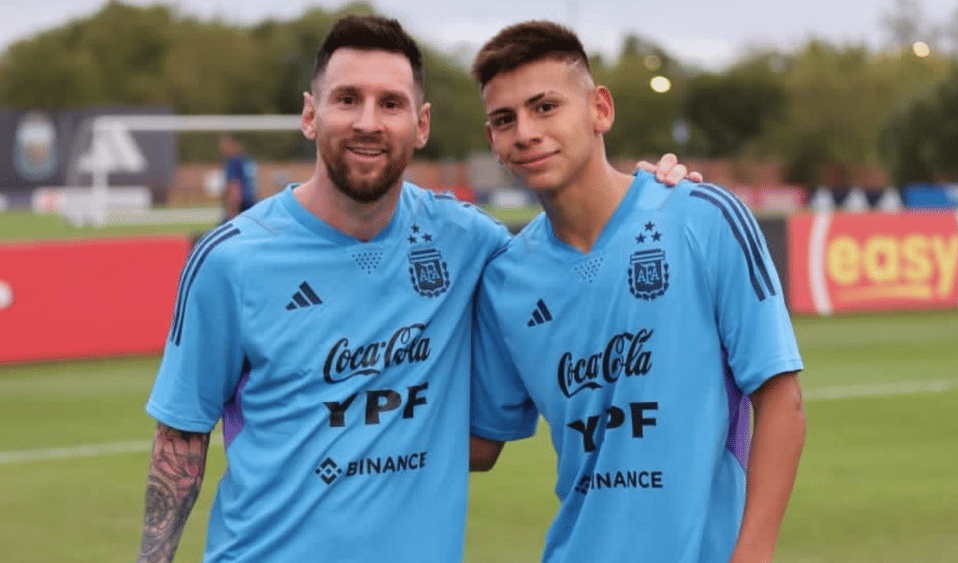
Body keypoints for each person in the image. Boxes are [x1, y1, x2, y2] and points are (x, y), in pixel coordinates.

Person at [135, 15, 695, 563]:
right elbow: (179, 442)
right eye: (347, 99)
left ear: (421, 124)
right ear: (310, 114)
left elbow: (570, 259)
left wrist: (651, 195)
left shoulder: (470, 242)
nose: (368, 122)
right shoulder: (230, 259)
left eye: (391, 103)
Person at [467, 21, 807, 563]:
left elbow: (781, 400)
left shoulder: (703, 218)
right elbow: (480, 445)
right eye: (505, 120)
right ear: (493, 141)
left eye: (545, 107)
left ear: (599, 109)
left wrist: (753, 552)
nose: (525, 132)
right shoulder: (505, 279)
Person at [218, 133, 257, 221]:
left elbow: (235, 187)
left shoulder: (233, 162)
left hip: (240, 207)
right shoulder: (247, 160)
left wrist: (232, 211)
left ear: (233, 144)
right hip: (251, 204)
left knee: (220, 228)